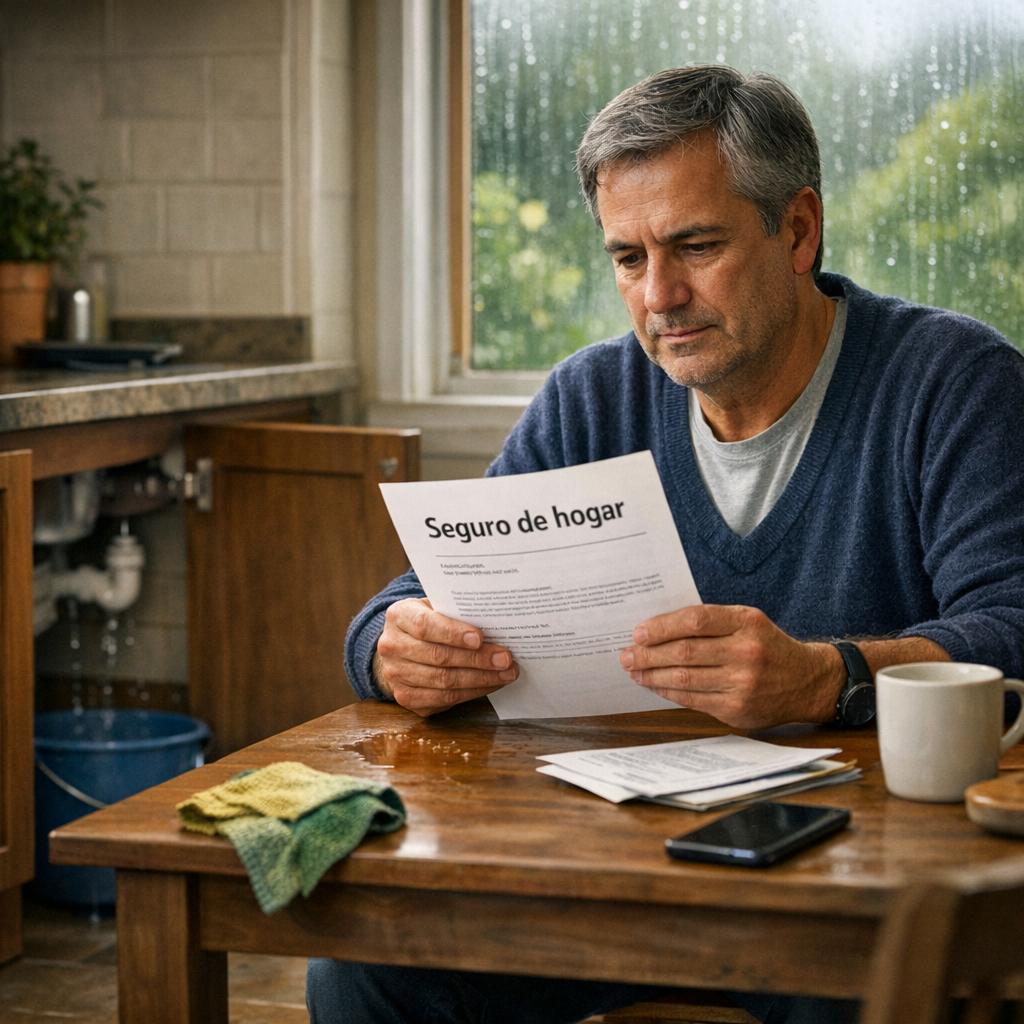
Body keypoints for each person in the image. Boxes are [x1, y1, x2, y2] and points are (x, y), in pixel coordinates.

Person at [308, 65, 1024, 1023]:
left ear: (799, 230)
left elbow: (1014, 626)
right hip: (610, 870)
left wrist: (828, 676)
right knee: (361, 974)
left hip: (853, 887)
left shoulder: (952, 382)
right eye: (627, 258)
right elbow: (398, 604)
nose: (660, 295)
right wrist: (398, 646)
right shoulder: (590, 398)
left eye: (695, 245)